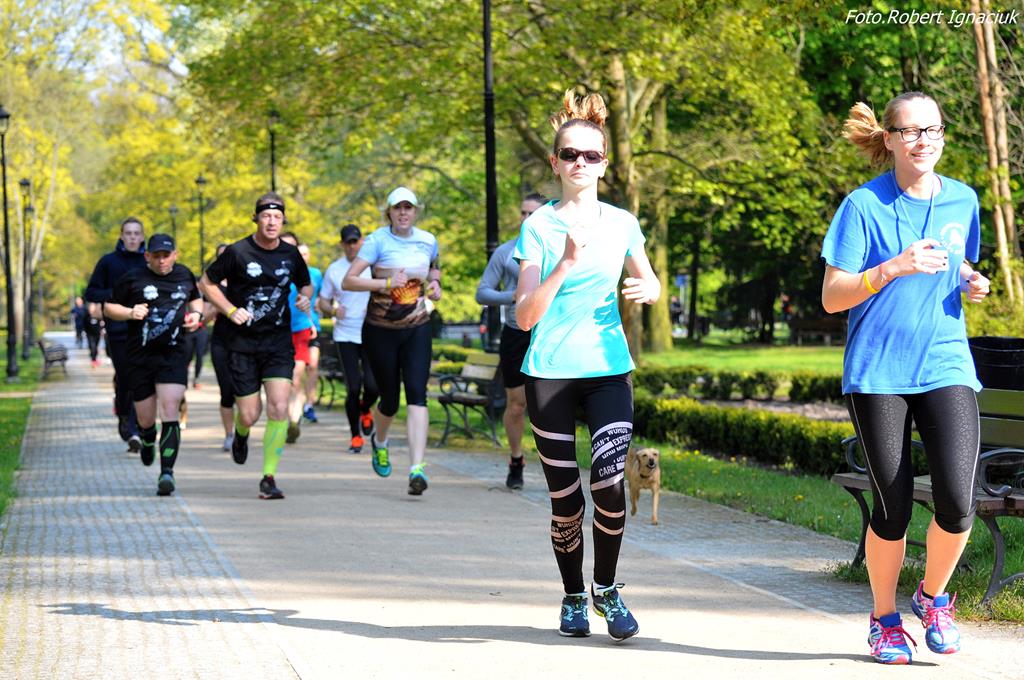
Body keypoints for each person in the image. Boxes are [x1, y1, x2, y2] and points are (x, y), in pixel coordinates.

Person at [821, 92, 991, 665]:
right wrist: (892, 268)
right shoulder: (862, 206)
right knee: (891, 507)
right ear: (890, 140)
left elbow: (956, 258)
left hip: (946, 362)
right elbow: (832, 296)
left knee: (959, 500)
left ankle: (933, 597)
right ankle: (884, 619)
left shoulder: (963, 199)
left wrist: (970, 279)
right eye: (911, 131)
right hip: (878, 372)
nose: (923, 140)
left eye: (933, 129)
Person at [514, 90, 660, 641]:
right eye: (570, 154)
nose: (580, 162)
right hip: (549, 373)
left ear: (604, 163)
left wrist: (650, 288)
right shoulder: (538, 227)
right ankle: (573, 595)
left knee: (609, 484)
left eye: (591, 155)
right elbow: (524, 317)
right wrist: (565, 264)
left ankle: (607, 589)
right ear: (555, 163)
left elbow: (648, 278)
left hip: (607, 370)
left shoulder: (623, 222)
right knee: (566, 500)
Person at [199, 192, 312, 500]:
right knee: (250, 414)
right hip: (242, 344)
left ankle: (268, 477)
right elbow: (206, 283)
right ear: (256, 218)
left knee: (279, 407)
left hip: (278, 343)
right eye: (266, 216)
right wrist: (229, 310)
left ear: (283, 221)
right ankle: (241, 432)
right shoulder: (238, 252)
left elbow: (305, 284)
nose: (272, 222)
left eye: (277, 217)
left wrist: (305, 297)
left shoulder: (290, 254)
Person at [342, 187, 441, 495]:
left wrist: (435, 284)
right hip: (380, 329)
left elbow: (435, 267)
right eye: (397, 208)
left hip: (417, 326)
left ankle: (417, 469)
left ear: (415, 211)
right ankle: (380, 441)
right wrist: (385, 282)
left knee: (417, 395)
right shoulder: (377, 241)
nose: (403, 213)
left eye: (408, 208)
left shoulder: (428, 240)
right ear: (389, 212)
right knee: (389, 400)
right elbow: (349, 280)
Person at [104, 234, 203, 496]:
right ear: (147, 256)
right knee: (146, 418)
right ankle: (148, 438)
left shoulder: (184, 275)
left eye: (166, 255)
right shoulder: (132, 278)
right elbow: (109, 308)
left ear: (175, 255)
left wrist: (196, 314)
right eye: (156, 255)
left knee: (170, 407)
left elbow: (196, 298)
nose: (161, 261)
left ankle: (167, 472)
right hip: (140, 356)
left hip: (173, 353)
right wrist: (130, 312)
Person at [475, 192, 547, 489]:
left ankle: (555, 466)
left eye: (533, 214)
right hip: (516, 334)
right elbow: (482, 292)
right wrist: (512, 296)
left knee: (549, 405)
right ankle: (516, 460)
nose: (526, 219)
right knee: (517, 405)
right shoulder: (506, 252)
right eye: (523, 213)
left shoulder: (559, 250)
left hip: (549, 334)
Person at [85, 217, 148, 451]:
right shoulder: (108, 262)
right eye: (128, 233)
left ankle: (137, 427)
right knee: (125, 378)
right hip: (119, 332)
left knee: (142, 379)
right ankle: (126, 418)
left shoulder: (149, 261)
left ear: (142, 236)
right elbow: (91, 292)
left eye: (136, 233)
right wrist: (118, 293)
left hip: (147, 331)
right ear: (121, 236)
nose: (132, 237)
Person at [320, 224, 379, 454]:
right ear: (342, 244)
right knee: (353, 388)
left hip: (371, 332)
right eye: (348, 243)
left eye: (355, 242)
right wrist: (334, 311)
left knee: (373, 386)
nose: (352, 246)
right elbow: (323, 302)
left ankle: (365, 409)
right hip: (345, 335)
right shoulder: (335, 270)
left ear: (362, 241)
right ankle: (355, 436)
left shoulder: (372, 266)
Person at [279, 231, 319, 443]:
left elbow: (312, 298)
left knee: (296, 377)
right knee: (283, 380)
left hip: (301, 328)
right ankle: (286, 418)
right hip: (277, 331)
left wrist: (312, 322)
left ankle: (293, 420)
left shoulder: (309, 273)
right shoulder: (270, 269)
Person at [207, 243, 237, 452]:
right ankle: (229, 434)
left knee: (243, 390)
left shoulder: (245, 281)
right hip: (221, 342)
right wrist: (219, 306)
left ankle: (242, 431)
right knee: (226, 391)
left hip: (244, 342)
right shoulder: (212, 286)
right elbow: (204, 318)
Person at [298, 242, 324, 424]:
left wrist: (320, 303)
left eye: (305, 254)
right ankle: (297, 404)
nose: (303, 257)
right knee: (297, 370)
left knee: (313, 366)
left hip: (313, 325)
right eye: (299, 254)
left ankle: (309, 405)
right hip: (294, 327)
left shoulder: (316, 274)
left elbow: (324, 295)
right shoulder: (288, 273)